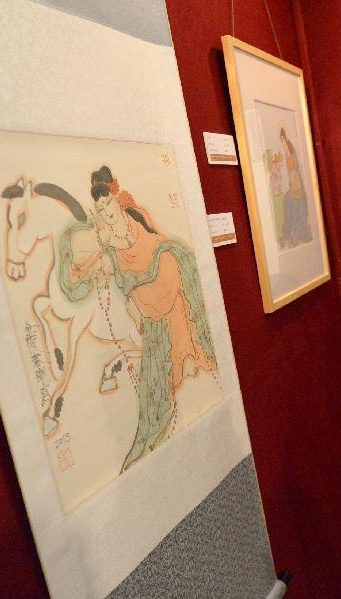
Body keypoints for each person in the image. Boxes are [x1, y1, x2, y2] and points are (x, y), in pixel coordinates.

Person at [60, 166, 217, 472]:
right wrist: (128, 299)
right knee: (157, 340)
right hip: (144, 291)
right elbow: (118, 276)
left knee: (174, 264)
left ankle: (192, 358)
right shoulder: (104, 236)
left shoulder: (134, 212)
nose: (104, 211)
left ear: (115, 199)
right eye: (99, 208)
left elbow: (158, 237)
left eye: (107, 204)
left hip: (161, 270)